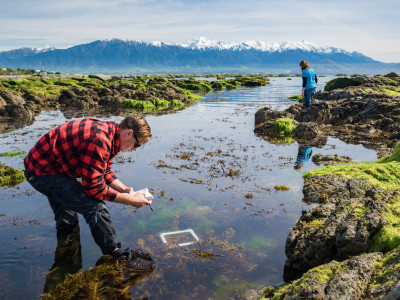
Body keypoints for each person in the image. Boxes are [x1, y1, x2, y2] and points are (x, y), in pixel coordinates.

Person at [24, 115, 154, 269]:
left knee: (68, 221)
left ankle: (65, 260)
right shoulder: (100, 140)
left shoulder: (112, 132)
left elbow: (104, 170)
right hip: (42, 172)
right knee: (94, 206)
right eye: (137, 145)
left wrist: (124, 189)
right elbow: (94, 189)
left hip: (54, 168)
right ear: (129, 133)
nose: (134, 150)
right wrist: (131, 201)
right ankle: (118, 254)